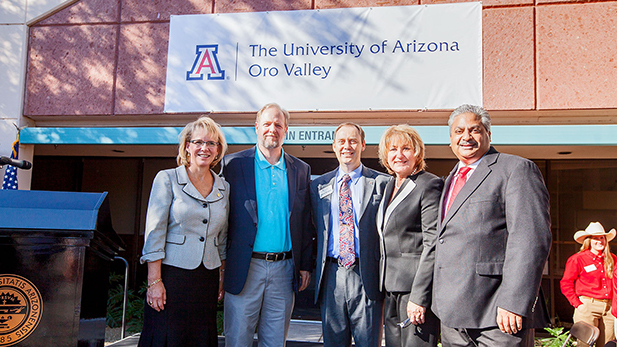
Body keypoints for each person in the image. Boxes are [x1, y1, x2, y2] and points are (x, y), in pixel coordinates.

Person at [432, 104, 551, 347]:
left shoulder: (516, 169)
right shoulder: (451, 178)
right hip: (453, 315)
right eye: (458, 131)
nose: (466, 137)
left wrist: (514, 303)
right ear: (450, 139)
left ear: (488, 134)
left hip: (498, 315)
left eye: (474, 130)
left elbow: (530, 240)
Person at [220, 103, 313, 347]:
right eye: (268, 124)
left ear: (286, 130)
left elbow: (304, 221)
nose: (273, 129)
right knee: (237, 340)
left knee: (274, 342)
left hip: (284, 269)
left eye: (279, 125)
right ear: (256, 127)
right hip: (244, 267)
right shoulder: (232, 165)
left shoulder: (301, 170)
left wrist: (304, 264)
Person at [139, 116, 229, 347]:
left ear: (218, 149)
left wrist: (220, 277)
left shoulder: (224, 187)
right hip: (171, 276)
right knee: (167, 338)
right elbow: (154, 232)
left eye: (212, 143)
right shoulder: (167, 178)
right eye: (199, 142)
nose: (204, 148)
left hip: (206, 278)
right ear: (187, 146)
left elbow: (221, 237)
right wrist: (154, 281)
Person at [311, 122, 389, 347]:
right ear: (334, 146)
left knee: (368, 342)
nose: (348, 146)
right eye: (342, 141)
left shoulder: (382, 183)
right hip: (331, 275)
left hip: (366, 275)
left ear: (363, 145)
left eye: (353, 141)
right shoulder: (318, 185)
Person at [376, 125, 443, 347]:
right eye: (393, 149)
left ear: (418, 153)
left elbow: (432, 243)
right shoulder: (389, 186)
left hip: (414, 292)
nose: (399, 154)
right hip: (391, 287)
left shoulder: (428, 184)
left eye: (406, 148)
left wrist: (419, 296)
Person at [561, 221, 617, 346]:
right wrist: (577, 304)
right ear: (588, 241)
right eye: (595, 238)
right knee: (584, 344)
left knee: (608, 344)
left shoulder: (612, 259)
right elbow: (566, 283)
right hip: (588, 305)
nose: (599, 241)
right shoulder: (577, 259)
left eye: (602, 238)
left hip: (609, 308)